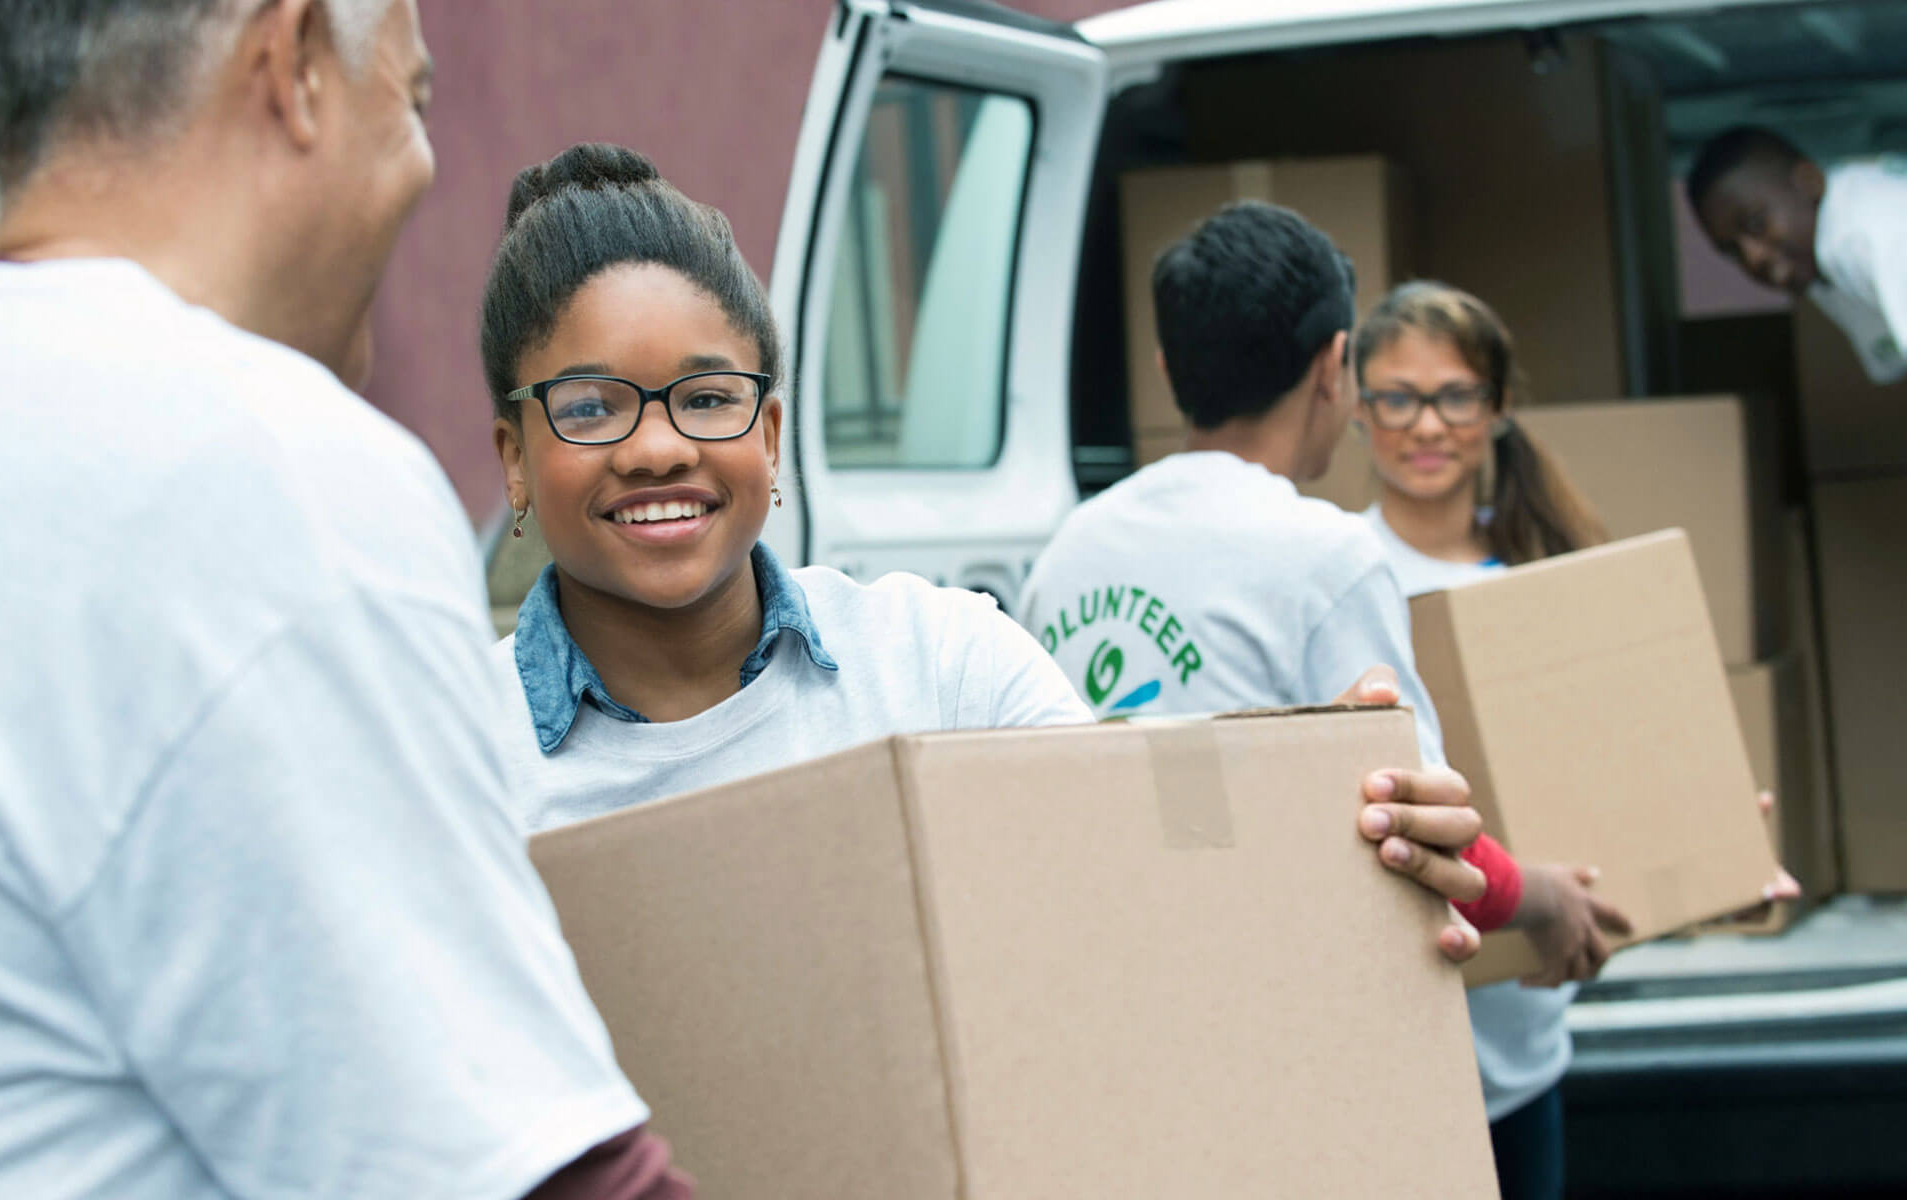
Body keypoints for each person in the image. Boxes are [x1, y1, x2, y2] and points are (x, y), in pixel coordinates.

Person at [0, 3, 686, 1196]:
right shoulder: (243, 464)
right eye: (413, 106)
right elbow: (521, 1176)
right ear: (297, 61)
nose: (424, 171)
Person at [482, 143, 1500, 957]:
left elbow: (1145, 890)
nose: (659, 448)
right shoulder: (455, 759)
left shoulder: (945, 666)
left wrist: (1358, 839)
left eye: (708, 399)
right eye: (591, 408)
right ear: (515, 460)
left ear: (773, 435)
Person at [1021, 203, 1626, 990]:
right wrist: (1544, 898)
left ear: (1169, 368)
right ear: (1334, 366)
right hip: (1284, 984)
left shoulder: (1068, 552)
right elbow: (1422, 833)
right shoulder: (1326, 555)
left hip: (1124, 975)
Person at [1352, 279, 1801, 1200]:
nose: (1426, 425)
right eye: (1397, 398)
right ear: (1356, 411)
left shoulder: (1547, 574)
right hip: (1392, 1036)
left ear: (1500, 405)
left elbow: (1622, 805)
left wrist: (1715, 865)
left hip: (1522, 1046)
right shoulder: (1339, 573)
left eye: (1455, 396)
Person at [1687, 125, 1907, 384]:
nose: (1753, 257)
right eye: (1732, 251)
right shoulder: (1824, 260)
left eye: (1757, 224)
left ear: (1809, 182)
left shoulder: (1864, 234)